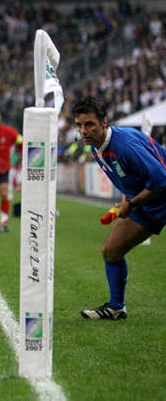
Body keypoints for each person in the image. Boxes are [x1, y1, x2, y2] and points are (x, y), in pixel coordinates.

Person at [73, 96, 166, 320]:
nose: (83, 131)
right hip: (147, 203)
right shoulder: (96, 147)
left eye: (89, 124)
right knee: (111, 250)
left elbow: (162, 180)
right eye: (79, 125)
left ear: (104, 122)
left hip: (159, 195)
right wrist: (128, 201)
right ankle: (116, 307)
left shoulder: (125, 146)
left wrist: (131, 204)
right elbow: (129, 178)